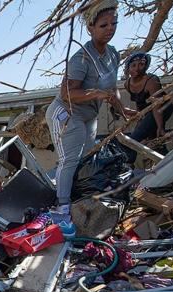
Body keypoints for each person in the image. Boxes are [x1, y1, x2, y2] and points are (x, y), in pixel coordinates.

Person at [46, 0, 122, 227]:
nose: (110, 28)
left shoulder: (113, 54)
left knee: (88, 157)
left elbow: (113, 88)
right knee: (69, 159)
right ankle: (62, 207)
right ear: (90, 28)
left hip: (89, 116)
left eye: (113, 24)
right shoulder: (82, 58)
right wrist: (96, 94)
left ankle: (80, 198)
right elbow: (67, 92)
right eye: (103, 25)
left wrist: (122, 109)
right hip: (67, 112)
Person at [122, 51, 173, 161]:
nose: (137, 68)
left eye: (141, 64)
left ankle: (128, 164)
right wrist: (139, 117)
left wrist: (160, 126)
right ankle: (168, 162)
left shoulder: (151, 81)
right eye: (133, 65)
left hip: (162, 108)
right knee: (154, 140)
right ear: (128, 67)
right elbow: (139, 103)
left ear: (146, 66)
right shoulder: (127, 84)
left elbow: (157, 105)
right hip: (148, 111)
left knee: (133, 139)